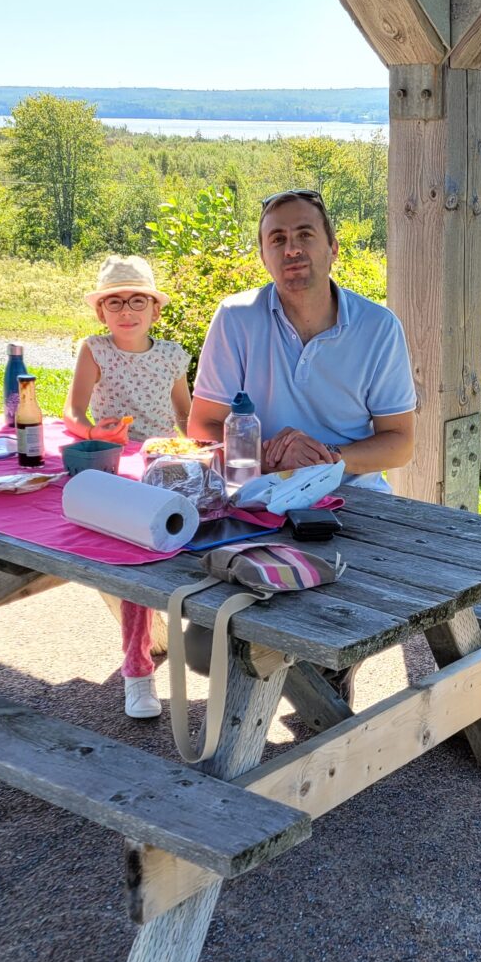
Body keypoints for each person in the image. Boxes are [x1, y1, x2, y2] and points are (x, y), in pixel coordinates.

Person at [187, 189, 417, 702]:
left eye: (305, 235)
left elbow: (399, 444)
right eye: (278, 239)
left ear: (333, 247)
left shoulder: (378, 328)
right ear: (264, 255)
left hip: (353, 503)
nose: (292, 249)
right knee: (205, 649)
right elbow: (202, 424)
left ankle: (323, 688)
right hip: (255, 500)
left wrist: (329, 461)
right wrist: (268, 452)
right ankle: (308, 688)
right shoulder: (236, 317)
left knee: (334, 625)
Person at [63, 254, 191, 719]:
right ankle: (137, 670)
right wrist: (96, 432)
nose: (126, 311)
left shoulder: (173, 355)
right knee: (131, 558)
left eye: (138, 300)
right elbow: (73, 416)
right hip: (114, 469)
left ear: (155, 309)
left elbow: (186, 417)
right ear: (101, 312)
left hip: (164, 465)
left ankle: (200, 639)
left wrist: (198, 450)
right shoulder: (94, 350)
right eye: (114, 302)